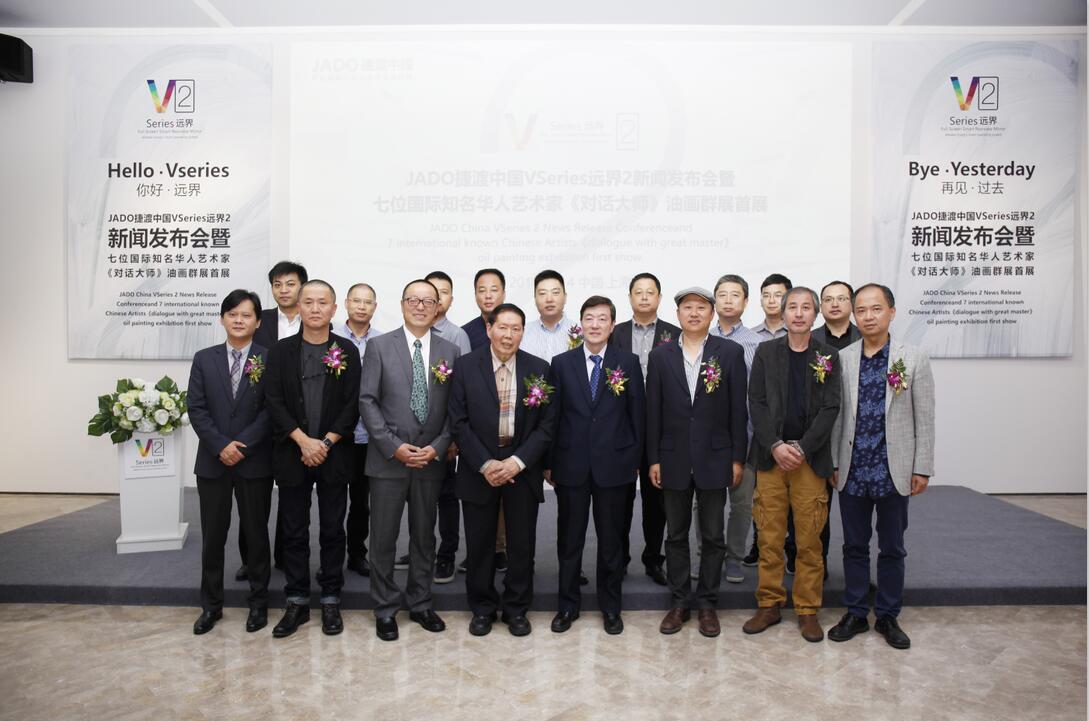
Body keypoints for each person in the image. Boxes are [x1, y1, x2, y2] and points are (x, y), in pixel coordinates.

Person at [828, 283, 935, 650]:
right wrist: (834, 462)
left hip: (894, 469)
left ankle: (888, 615)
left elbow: (925, 416)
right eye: (861, 310)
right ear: (854, 315)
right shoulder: (844, 358)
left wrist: (922, 467)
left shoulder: (913, 357)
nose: (868, 316)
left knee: (892, 547)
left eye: (876, 309)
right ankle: (856, 612)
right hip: (853, 469)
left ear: (891, 312)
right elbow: (837, 415)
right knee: (854, 546)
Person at [359, 279, 462, 641]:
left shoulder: (451, 351)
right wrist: (393, 446)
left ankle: (420, 603)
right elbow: (367, 401)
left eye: (428, 301)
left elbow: (455, 407)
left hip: (430, 459)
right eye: (413, 300)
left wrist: (439, 445)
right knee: (383, 538)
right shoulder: (379, 346)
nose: (420, 306)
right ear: (402, 304)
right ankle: (385, 608)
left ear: (438, 308)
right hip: (388, 460)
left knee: (424, 537)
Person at [448, 303, 556, 637]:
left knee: (521, 544)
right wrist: (485, 463)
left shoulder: (539, 369)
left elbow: (546, 426)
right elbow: (458, 422)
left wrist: (516, 462)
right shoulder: (465, 366)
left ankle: (516, 609)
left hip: (521, 467)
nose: (508, 335)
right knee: (480, 543)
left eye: (516, 328)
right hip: (478, 466)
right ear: (489, 329)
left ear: (523, 332)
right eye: (503, 327)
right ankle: (482, 608)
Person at [646, 287, 747, 638]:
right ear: (677, 315)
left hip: (715, 457)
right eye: (687, 307)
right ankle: (679, 602)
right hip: (672, 458)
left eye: (701, 307)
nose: (693, 313)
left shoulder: (729, 353)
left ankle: (707, 603)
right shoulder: (660, 356)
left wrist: (737, 457)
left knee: (713, 535)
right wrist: (654, 459)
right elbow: (653, 412)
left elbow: (738, 410)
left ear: (712, 313)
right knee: (675, 535)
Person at [264, 280, 361, 638]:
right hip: (293, 453)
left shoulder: (347, 350)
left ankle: (331, 598)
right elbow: (273, 401)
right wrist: (304, 442)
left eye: (323, 303)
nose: (315, 308)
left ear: (334, 309)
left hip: (334, 455)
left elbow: (353, 404)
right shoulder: (281, 351)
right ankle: (297, 600)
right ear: (298, 308)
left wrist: (325, 443)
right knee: (294, 530)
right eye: (309, 302)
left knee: (333, 530)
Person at [742, 287, 840, 643]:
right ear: (782, 314)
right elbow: (756, 402)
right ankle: (769, 604)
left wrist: (801, 447)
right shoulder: (766, 352)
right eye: (792, 307)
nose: (799, 313)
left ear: (815, 314)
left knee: (809, 538)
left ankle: (808, 609)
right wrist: (776, 445)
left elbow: (831, 407)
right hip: (771, 459)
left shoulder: (828, 355)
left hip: (809, 461)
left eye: (806, 307)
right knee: (769, 536)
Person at [547, 296, 645, 635]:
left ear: (612, 325)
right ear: (581, 324)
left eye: (602, 319)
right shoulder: (561, 363)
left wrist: (633, 460)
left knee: (612, 542)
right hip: (571, 465)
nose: (595, 324)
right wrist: (550, 463)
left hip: (614, 467)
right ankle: (567, 606)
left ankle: (611, 608)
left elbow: (637, 415)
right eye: (589, 318)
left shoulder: (627, 362)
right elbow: (553, 417)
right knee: (569, 541)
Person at [187, 289, 273, 635]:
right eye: (232, 314)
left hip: (254, 463)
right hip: (213, 462)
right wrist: (221, 445)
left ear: (258, 322)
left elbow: (271, 410)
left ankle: (259, 603)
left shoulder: (269, 358)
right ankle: (211, 606)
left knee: (256, 535)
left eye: (246, 315)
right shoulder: (203, 359)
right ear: (222, 319)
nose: (239, 320)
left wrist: (243, 446)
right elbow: (196, 408)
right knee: (213, 537)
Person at [609, 272, 680, 586]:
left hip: (660, 428)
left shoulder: (674, 333)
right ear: (630, 298)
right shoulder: (615, 332)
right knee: (620, 499)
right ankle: (620, 559)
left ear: (659, 298)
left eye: (650, 292)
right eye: (638, 292)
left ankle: (653, 558)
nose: (644, 297)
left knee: (657, 500)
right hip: (621, 427)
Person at [251, 260, 308, 577]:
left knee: (291, 497)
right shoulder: (259, 321)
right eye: (277, 284)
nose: (283, 290)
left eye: (290, 283)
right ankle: (252, 560)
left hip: (296, 425)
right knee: (255, 498)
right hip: (259, 420)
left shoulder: (315, 320)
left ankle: (286, 557)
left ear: (302, 286)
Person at [708, 274, 763, 584]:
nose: (728, 300)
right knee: (704, 503)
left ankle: (734, 559)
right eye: (722, 294)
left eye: (735, 295)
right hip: (707, 438)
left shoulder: (757, 343)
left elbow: (759, 396)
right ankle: (707, 555)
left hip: (745, 435)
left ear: (745, 301)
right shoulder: (699, 338)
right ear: (715, 300)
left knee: (741, 504)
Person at [424, 271, 471, 585]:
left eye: (443, 292)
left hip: (444, 434)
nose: (437, 298)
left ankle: (447, 554)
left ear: (450, 300)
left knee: (446, 496)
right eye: (432, 291)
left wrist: (453, 437)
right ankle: (422, 549)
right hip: (414, 434)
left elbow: (463, 390)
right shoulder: (409, 333)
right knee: (419, 497)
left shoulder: (457, 336)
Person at [744, 272, 793, 569]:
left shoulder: (800, 333)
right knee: (760, 492)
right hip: (760, 426)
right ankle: (758, 541)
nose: (772, 300)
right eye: (767, 295)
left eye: (778, 295)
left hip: (794, 426)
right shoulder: (751, 338)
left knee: (795, 492)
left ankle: (792, 546)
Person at [336, 283, 381, 578]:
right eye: (357, 301)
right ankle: (331, 558)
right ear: (346, 303)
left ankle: (357, 553)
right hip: (337, 434)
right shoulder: (331, 338)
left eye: (367, 302)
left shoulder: (383, 341)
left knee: (361, 503)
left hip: (369, 435)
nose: (362, 306)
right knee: (334, 500)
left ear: (375, 307)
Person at [521, 269, 577, 362]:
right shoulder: (523, 333)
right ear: (535, 299)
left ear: (565, 297)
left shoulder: (581, 332)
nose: (549, 299)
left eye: (555, 293)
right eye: (542, 293)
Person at [462, 268, 507, 351]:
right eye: (482, 291)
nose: (488, 296)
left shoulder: (516, 330)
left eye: (494, 290)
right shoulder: (464, 334)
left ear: (504, 294)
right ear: (475, 295)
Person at [812, 280, 862, 350]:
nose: (835, 304)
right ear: (820, 307)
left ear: (852, 305)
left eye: (841, 299)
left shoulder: (865, 336)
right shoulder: (809, 338)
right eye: (828, 300)